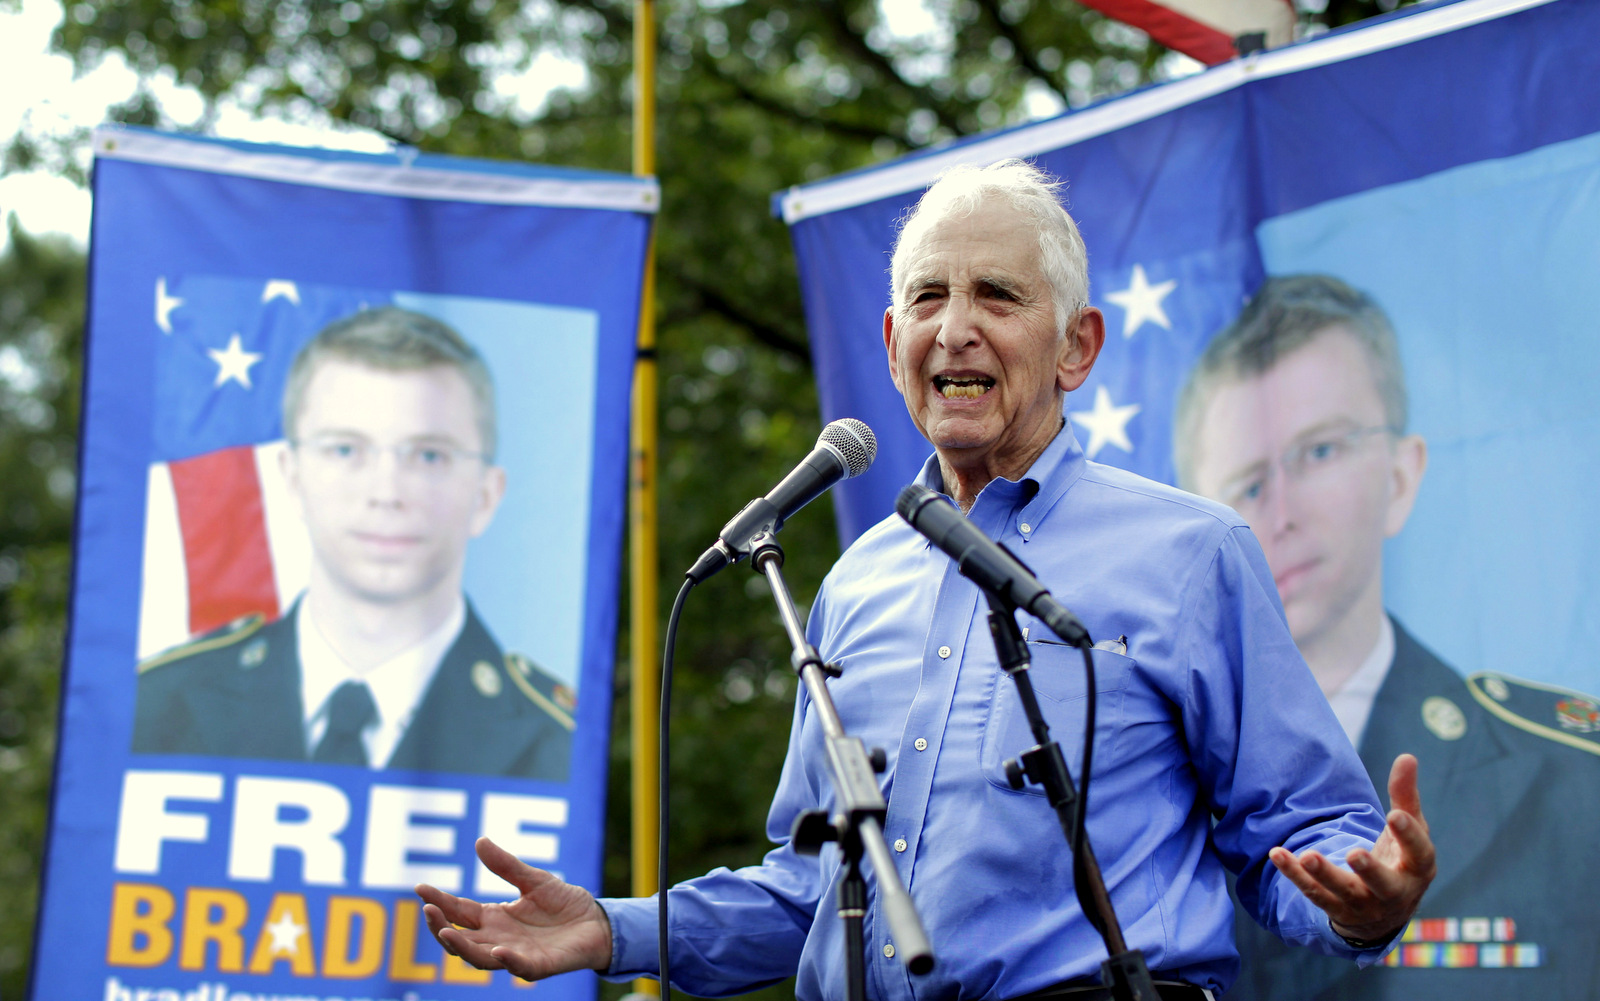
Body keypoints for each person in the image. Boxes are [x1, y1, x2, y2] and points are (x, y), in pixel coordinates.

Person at [414, 162, 1435, 999]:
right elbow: (813, 886)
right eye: (927, 297)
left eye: (996, 294)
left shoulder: (1192, 553)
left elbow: (1300, 832)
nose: (954, 326)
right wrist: (611, 929)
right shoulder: (853, 583)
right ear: (894, 341)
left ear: (1077, 345)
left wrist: (1357, 896)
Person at [1174, 274, 1600, 999]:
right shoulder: (1139, 797)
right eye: (1245, 485)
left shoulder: (1573, 775)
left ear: (1401, 476)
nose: (1281, 513)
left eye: (1319, 452)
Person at [133, 307, 574, 780]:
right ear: (292, 477)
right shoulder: (154, 708)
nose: (386, 493)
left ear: (486, 496)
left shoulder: (563, 744)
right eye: (345, 449)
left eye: (428, 456)